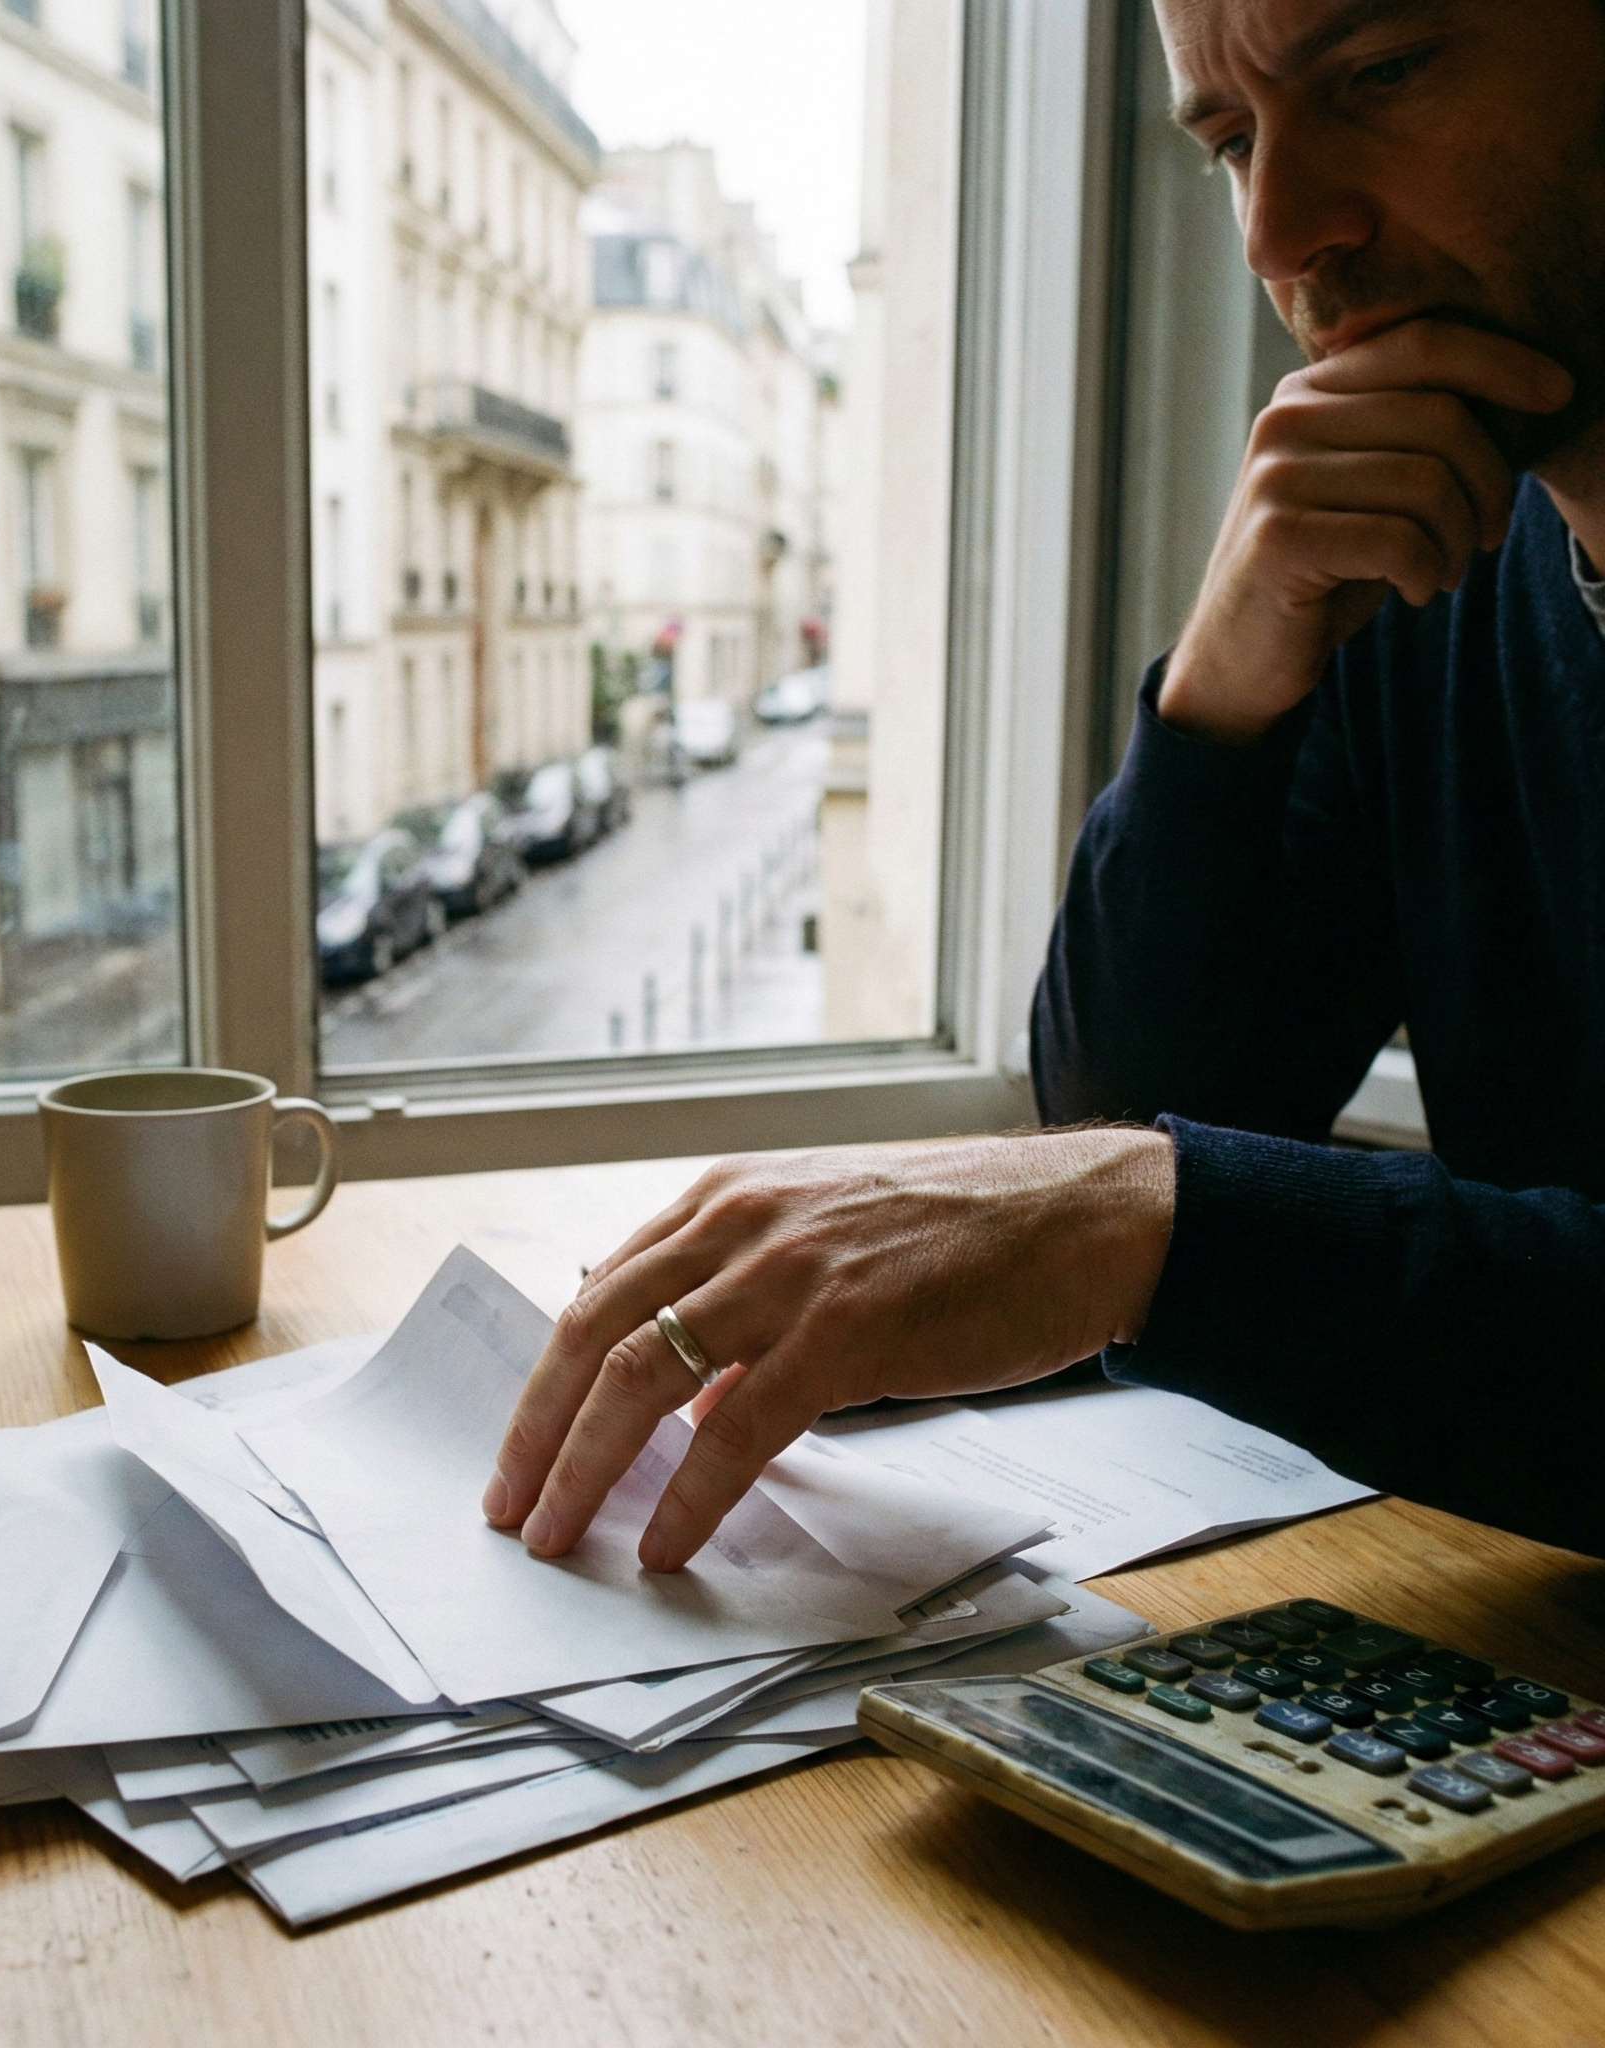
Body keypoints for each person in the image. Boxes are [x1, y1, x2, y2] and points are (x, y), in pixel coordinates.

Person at [482, 0, 1605, 1571]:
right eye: (1228, 141)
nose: (1284, 230)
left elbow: (1132, 1202)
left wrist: (1154, 1219)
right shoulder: (1434, 566)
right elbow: (1126, 1112)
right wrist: (1221, 687)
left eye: (1381, 73)